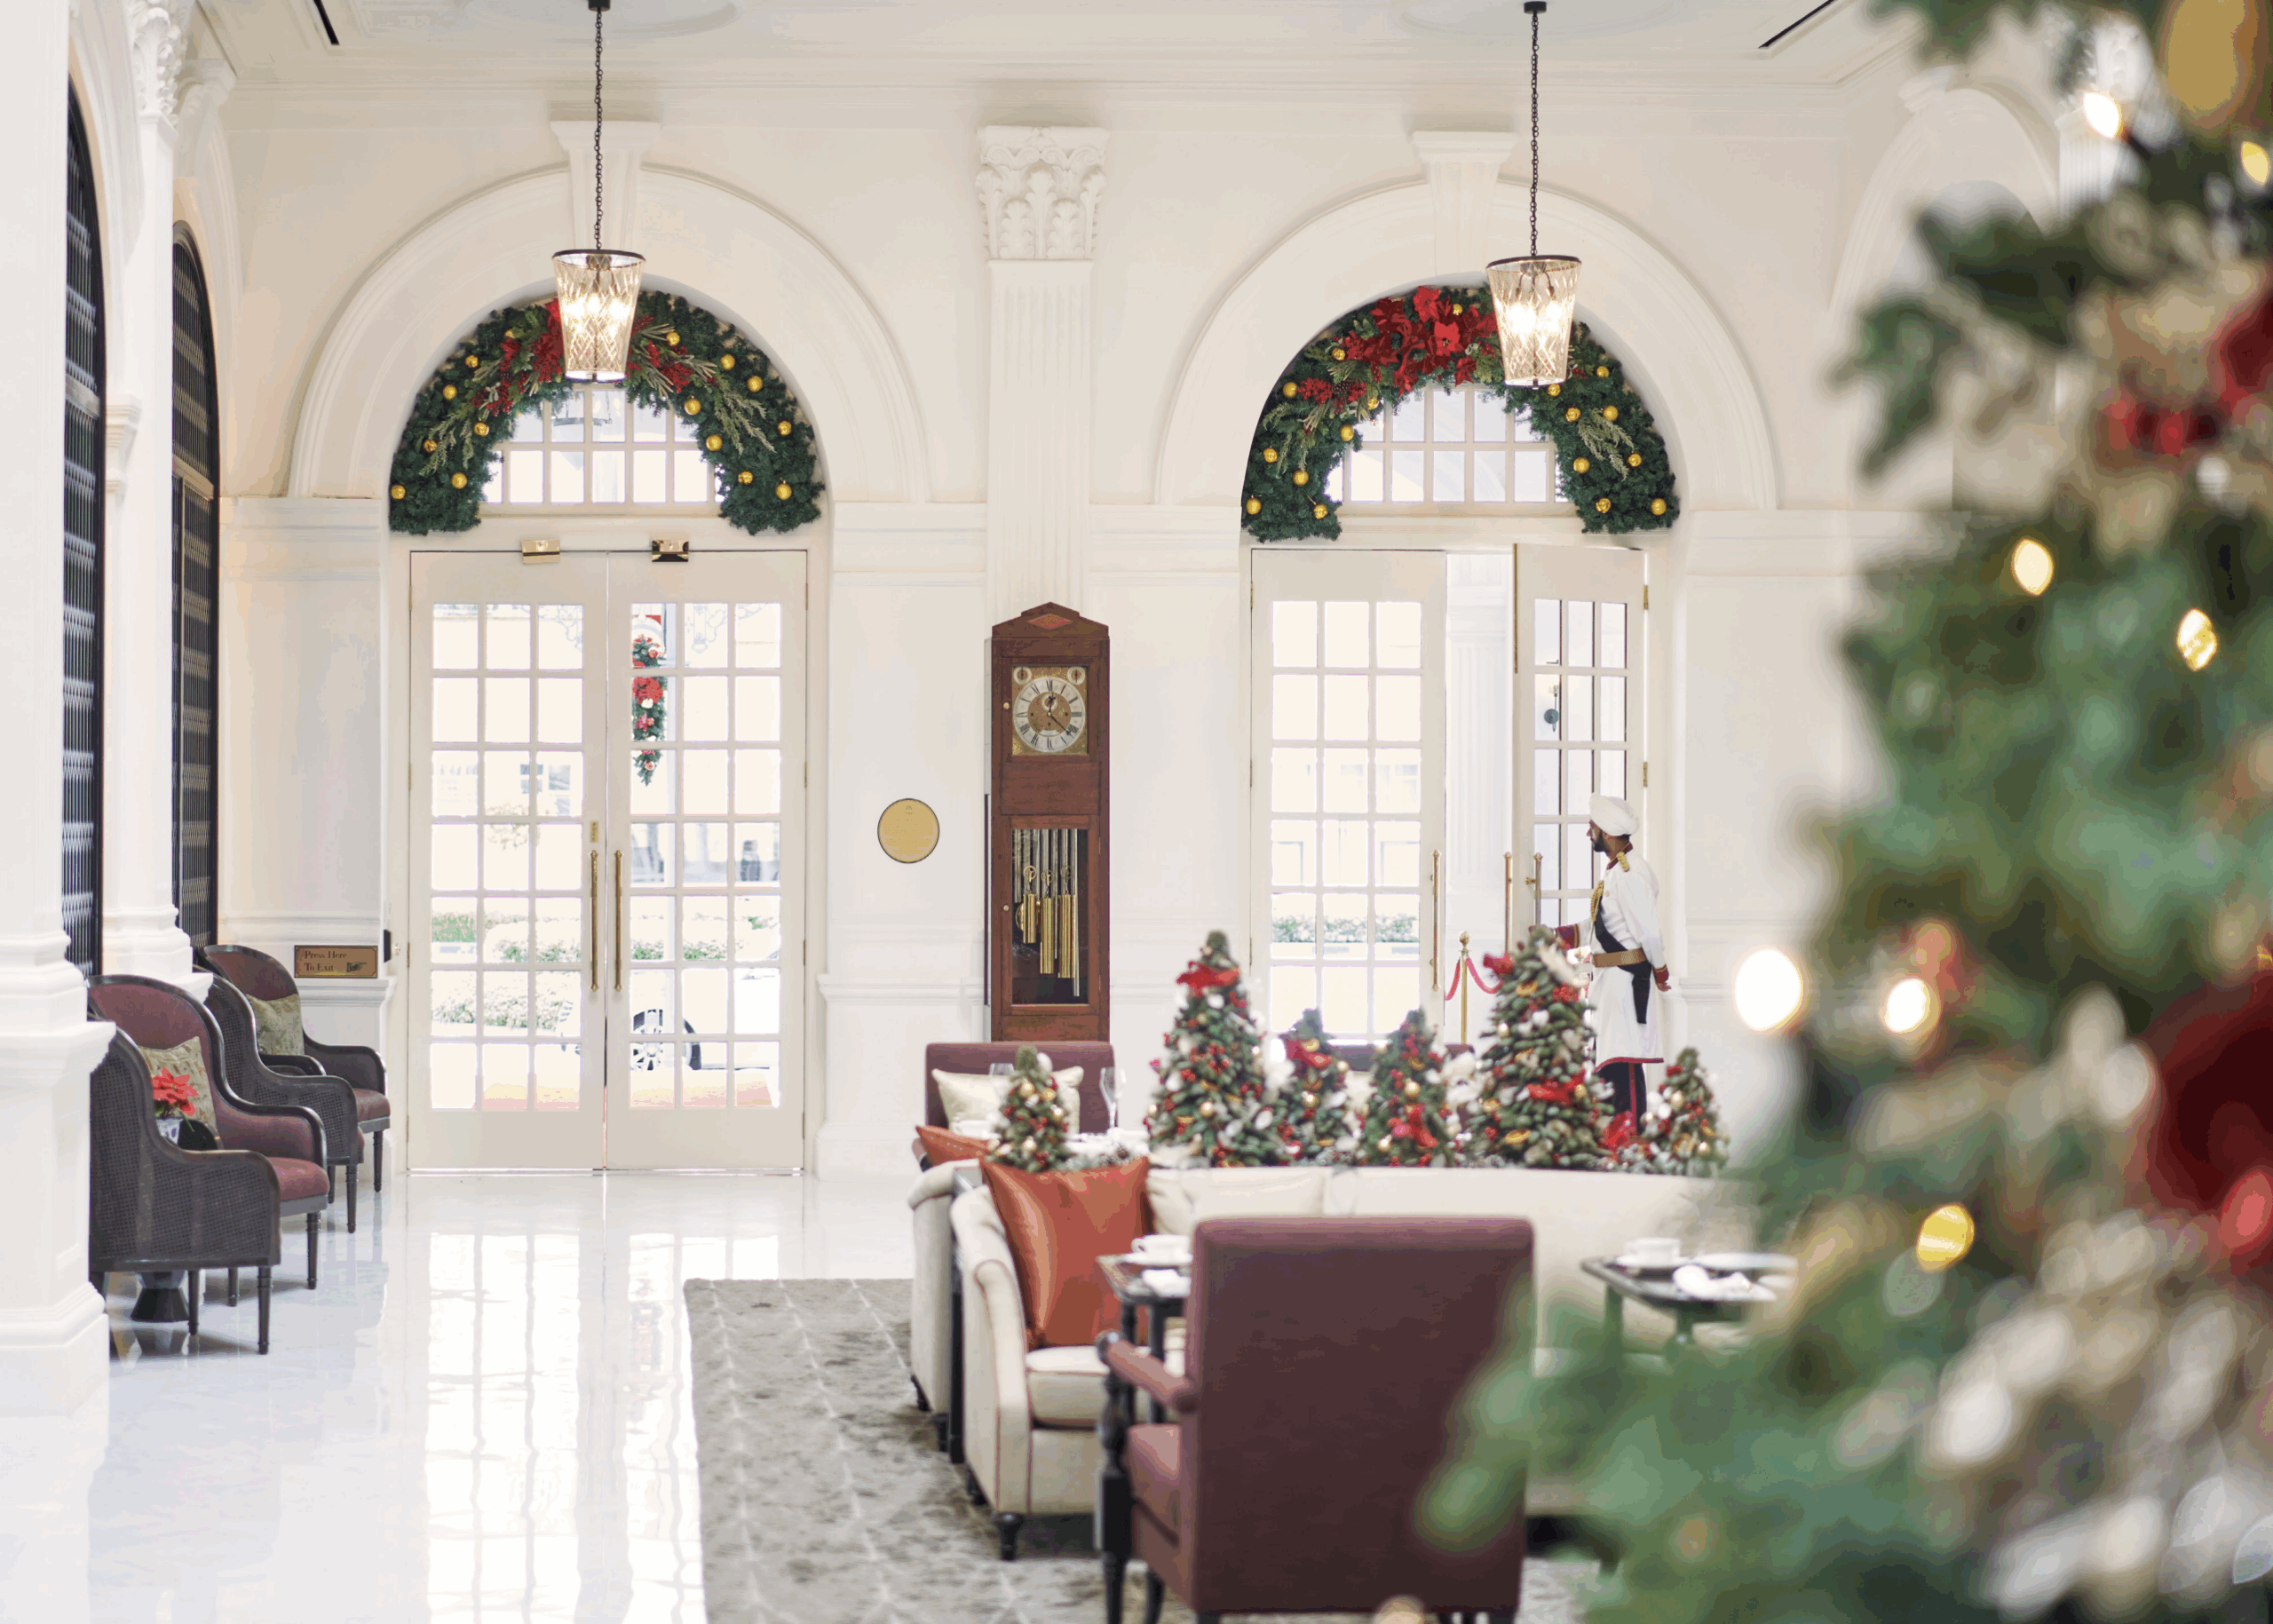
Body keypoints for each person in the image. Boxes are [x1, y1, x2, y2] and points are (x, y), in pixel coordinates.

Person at [1584, 793, 1669, 1123]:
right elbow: (1605, 924)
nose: (1587, 832)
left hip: (1625, 982)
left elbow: (1648, 933)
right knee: (1612, 1067)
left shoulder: (1630, 873)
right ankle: (1614, 1142)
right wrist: (1562, 934)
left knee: (1624, 1066)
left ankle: (1630, 1142)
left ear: (1606, 832)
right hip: (1611, 982)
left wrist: (1660, 971)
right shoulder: (1616, 873)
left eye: (1591, 827)